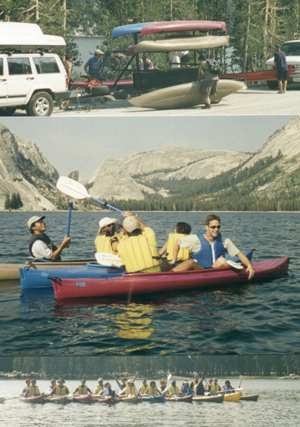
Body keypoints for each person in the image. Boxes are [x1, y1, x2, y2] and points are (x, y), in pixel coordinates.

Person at [170, 214, 255, 280]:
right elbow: (178, 242)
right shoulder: (196, 239)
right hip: (201, 271)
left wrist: (249, 265)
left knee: (221, 260)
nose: (216, 229)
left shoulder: (225, 241)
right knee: (189, 262)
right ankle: (165, 277)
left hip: (216, 270)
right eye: (213, 227)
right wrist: (174, 259)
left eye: (218, 227)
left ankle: (235, 268)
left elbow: (239, 254)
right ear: (206, 227)